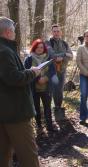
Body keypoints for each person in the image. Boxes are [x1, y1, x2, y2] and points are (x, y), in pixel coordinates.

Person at [0, 16, 40, 167]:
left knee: (3, 155)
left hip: (4, 111)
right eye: (14, 31)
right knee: (29, 155)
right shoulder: (4, 51)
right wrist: (32, 72)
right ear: (8, 32)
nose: (15, 34)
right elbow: (14, 78)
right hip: (15, 112)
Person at [24, 39, 57, 132]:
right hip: (34, 89)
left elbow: (53, 72)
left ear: (44, 48)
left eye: (41, 47)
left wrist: (46, 78)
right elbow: (25, 73)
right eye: (37, 47)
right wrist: (38, 79)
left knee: (47, 107)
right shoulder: (29, 59)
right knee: (36, 108)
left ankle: (50, 127)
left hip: (46, 88)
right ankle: (39, 126)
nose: (39, 49)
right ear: (34, 47)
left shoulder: (49, 59)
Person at [46, 24, 73, 120]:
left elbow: (71, 56)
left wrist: (64, 56)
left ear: (61, 32)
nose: (56, 33)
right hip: (52, 71)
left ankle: (59, 109)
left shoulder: (65, 43)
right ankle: (53, 111)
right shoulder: (48, 43)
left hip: (62, 70)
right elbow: (52, 55)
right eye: (54, 31)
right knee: (53, 90)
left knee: (60, 90)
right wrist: (64, 54)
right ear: (52, 32)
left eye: (58, 31)